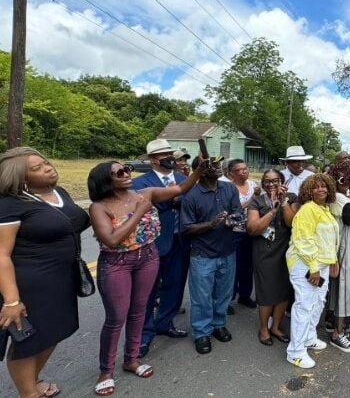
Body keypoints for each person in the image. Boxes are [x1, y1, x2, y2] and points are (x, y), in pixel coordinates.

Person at [88, 158, 203, 396]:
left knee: (140, 310)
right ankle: (106, 371)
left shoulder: (146, 192)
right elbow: (111, 239)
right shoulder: (99, 207)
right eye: (118, 172)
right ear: (105, 180)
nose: (125, 173)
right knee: (116, 317)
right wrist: (139, 211)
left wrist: (199, 171)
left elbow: (180, 189)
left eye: (126, 169)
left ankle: (131, 359)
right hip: (117, 262)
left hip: (148, 256)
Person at [0, 148, 90, 398]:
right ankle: (29, 393)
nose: (48, 168)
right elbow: (1, 255)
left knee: (55, 332)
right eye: (37, 168)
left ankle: (33, 380)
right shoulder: (10, 204)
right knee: (27, 341)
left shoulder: (59, 193)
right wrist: (11, 300)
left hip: (62, 278)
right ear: (20, 178)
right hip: (30, 284)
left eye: (46, 163)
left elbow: (72, 224)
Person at [132, 140, 190, 359]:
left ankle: (165, 323)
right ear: (153, 159)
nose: (170, 157)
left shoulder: (185, 180)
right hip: (153, 244)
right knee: (147, 292)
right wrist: (171, 198)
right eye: (164, 154)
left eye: (170, 153)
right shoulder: (140, 183)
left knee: (175, 287)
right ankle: (144, 334)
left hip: (181, 242)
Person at [180, 156, 242, 355]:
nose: (218, 167)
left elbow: (238, 212)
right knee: (201, 297)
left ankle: (218, 324)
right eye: (213, 165)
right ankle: (201, 332)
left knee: (223, 293)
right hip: (203, 254)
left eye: (218, 164)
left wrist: (233, 220)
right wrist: (211, 224)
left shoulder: (229, 188)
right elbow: (186, 228)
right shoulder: (191, 195)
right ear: (201, 170)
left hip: (227, 251)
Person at [286, 174, 340, 369]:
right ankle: (296, 352)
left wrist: (333, 260)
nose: (321, 190)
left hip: (322, 264)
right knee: (304, 305)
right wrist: (314, 268)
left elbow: (328, 239)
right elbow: (303, 240)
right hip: (306, 264)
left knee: (318, 302)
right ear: (308, 191)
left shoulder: (324, 209)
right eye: (316, 187)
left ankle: (309, 337)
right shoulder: (308, 209)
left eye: (324, 186)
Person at [246, 169, 297, 347]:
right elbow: (253, 229)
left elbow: (291, 223)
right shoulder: (257, 202)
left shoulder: (291, 197)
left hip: (286, 251)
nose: (271, 184)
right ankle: (263, 328)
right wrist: (272, 211)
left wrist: (283, 203)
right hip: (264, 252)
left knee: (283, 291)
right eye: (267, 181)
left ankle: (275, 327)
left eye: (275, 180)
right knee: (266, 291)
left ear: (282, 182)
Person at [326, 162, 350, 353]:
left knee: (337, 290)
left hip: (337, 249)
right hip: (344, 250)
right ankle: (337, 334)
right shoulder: (341, 199)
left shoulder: (334, 197)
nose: (347, 182)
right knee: (344, 291)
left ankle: (333, 325)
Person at [226, 159, 260, 309]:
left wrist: (257, 197)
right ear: (231, 173)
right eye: (239, 170)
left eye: (245, 168)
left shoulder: (253, 185)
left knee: (248, 265)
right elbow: (233, 210)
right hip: (234, 232)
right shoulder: (227, 188)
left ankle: (245, 295)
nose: (244, 171)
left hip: (251, 230)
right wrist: (252, 199)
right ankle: (228, 299)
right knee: (233, 266)